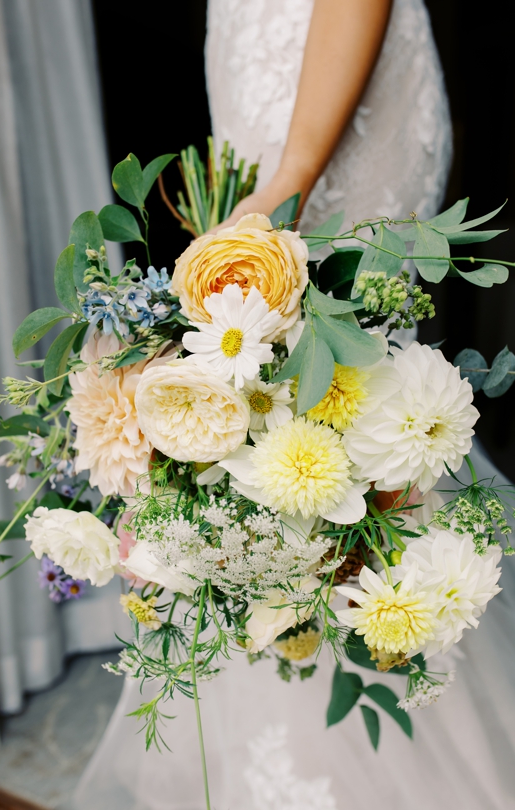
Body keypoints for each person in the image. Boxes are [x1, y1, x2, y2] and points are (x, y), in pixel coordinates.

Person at [73, 1, 515, 807]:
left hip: (335, 108)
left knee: (343, 417)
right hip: (263, 95)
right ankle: (271, 738)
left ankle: (365, 739)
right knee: (266, 442)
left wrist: (290, 177)